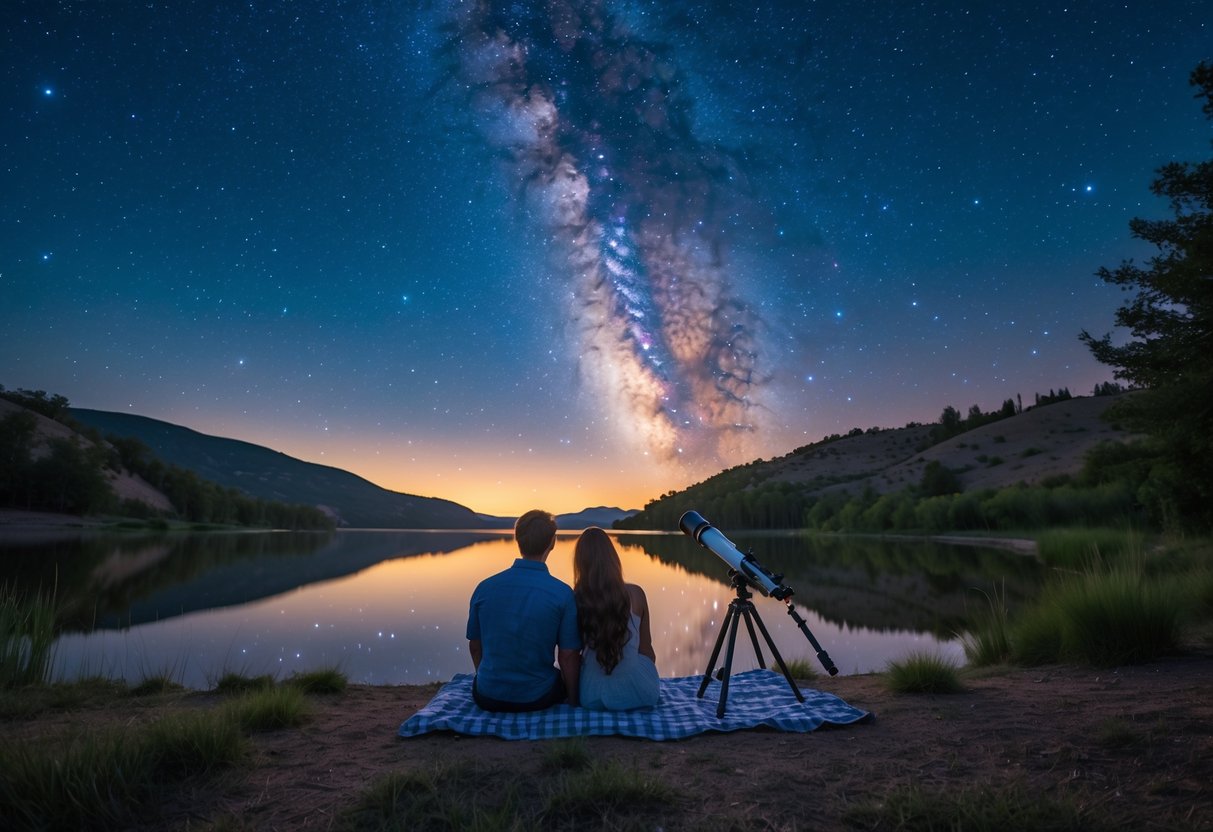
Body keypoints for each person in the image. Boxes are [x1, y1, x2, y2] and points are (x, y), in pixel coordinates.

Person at [466, 509, 581, 711]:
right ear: (552, 542)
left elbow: (475, 646)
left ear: (517, 538)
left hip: (487, 696)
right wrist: (573, 701)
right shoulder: (562, 594)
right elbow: (568, 656)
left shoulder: (484, 588)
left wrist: (486, 680)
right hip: (537, 697)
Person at [573, 526, 659, 710]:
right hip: (641, 694)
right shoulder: (636, 594)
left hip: (592, 696)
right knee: (639, 659)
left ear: (580, 562)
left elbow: (571, 653)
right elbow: (647, 652)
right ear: (613, 559)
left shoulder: (575, 598)